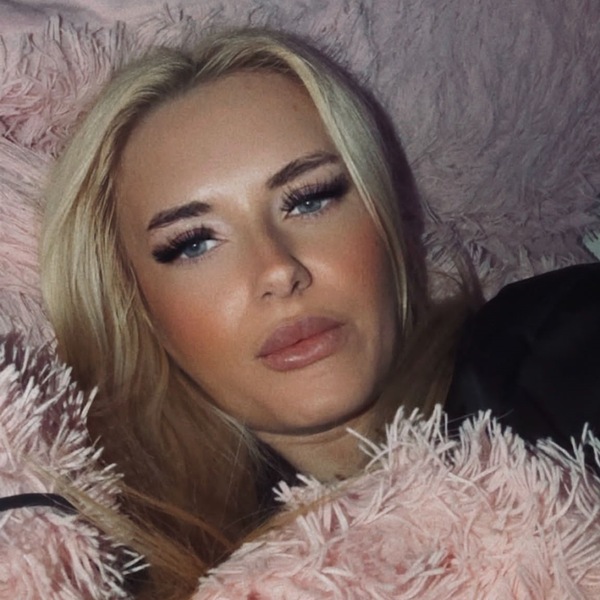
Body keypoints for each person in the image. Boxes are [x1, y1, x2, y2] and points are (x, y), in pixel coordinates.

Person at [39, 27, 600, 600]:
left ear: (385, 216)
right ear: (137, 306)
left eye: (309, 199)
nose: (278, 270)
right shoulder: (106, 564)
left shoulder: (559, 340)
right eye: (194, 243)